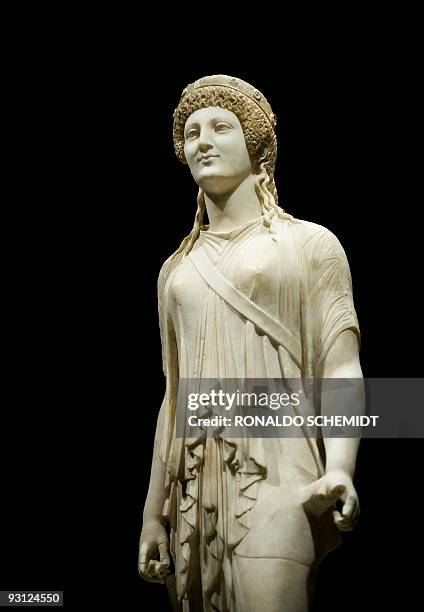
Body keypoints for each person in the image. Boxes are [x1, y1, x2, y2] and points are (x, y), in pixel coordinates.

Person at [139, 75, 363, 612]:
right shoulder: (177, 271)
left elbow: (341, 367)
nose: (203, 142)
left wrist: (341, 468)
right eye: (192, 132)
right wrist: (152, 513)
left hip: (281, 470)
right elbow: (175, 399)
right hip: (194, 489)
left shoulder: (309, 245)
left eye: (221, 127)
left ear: (256, 144)